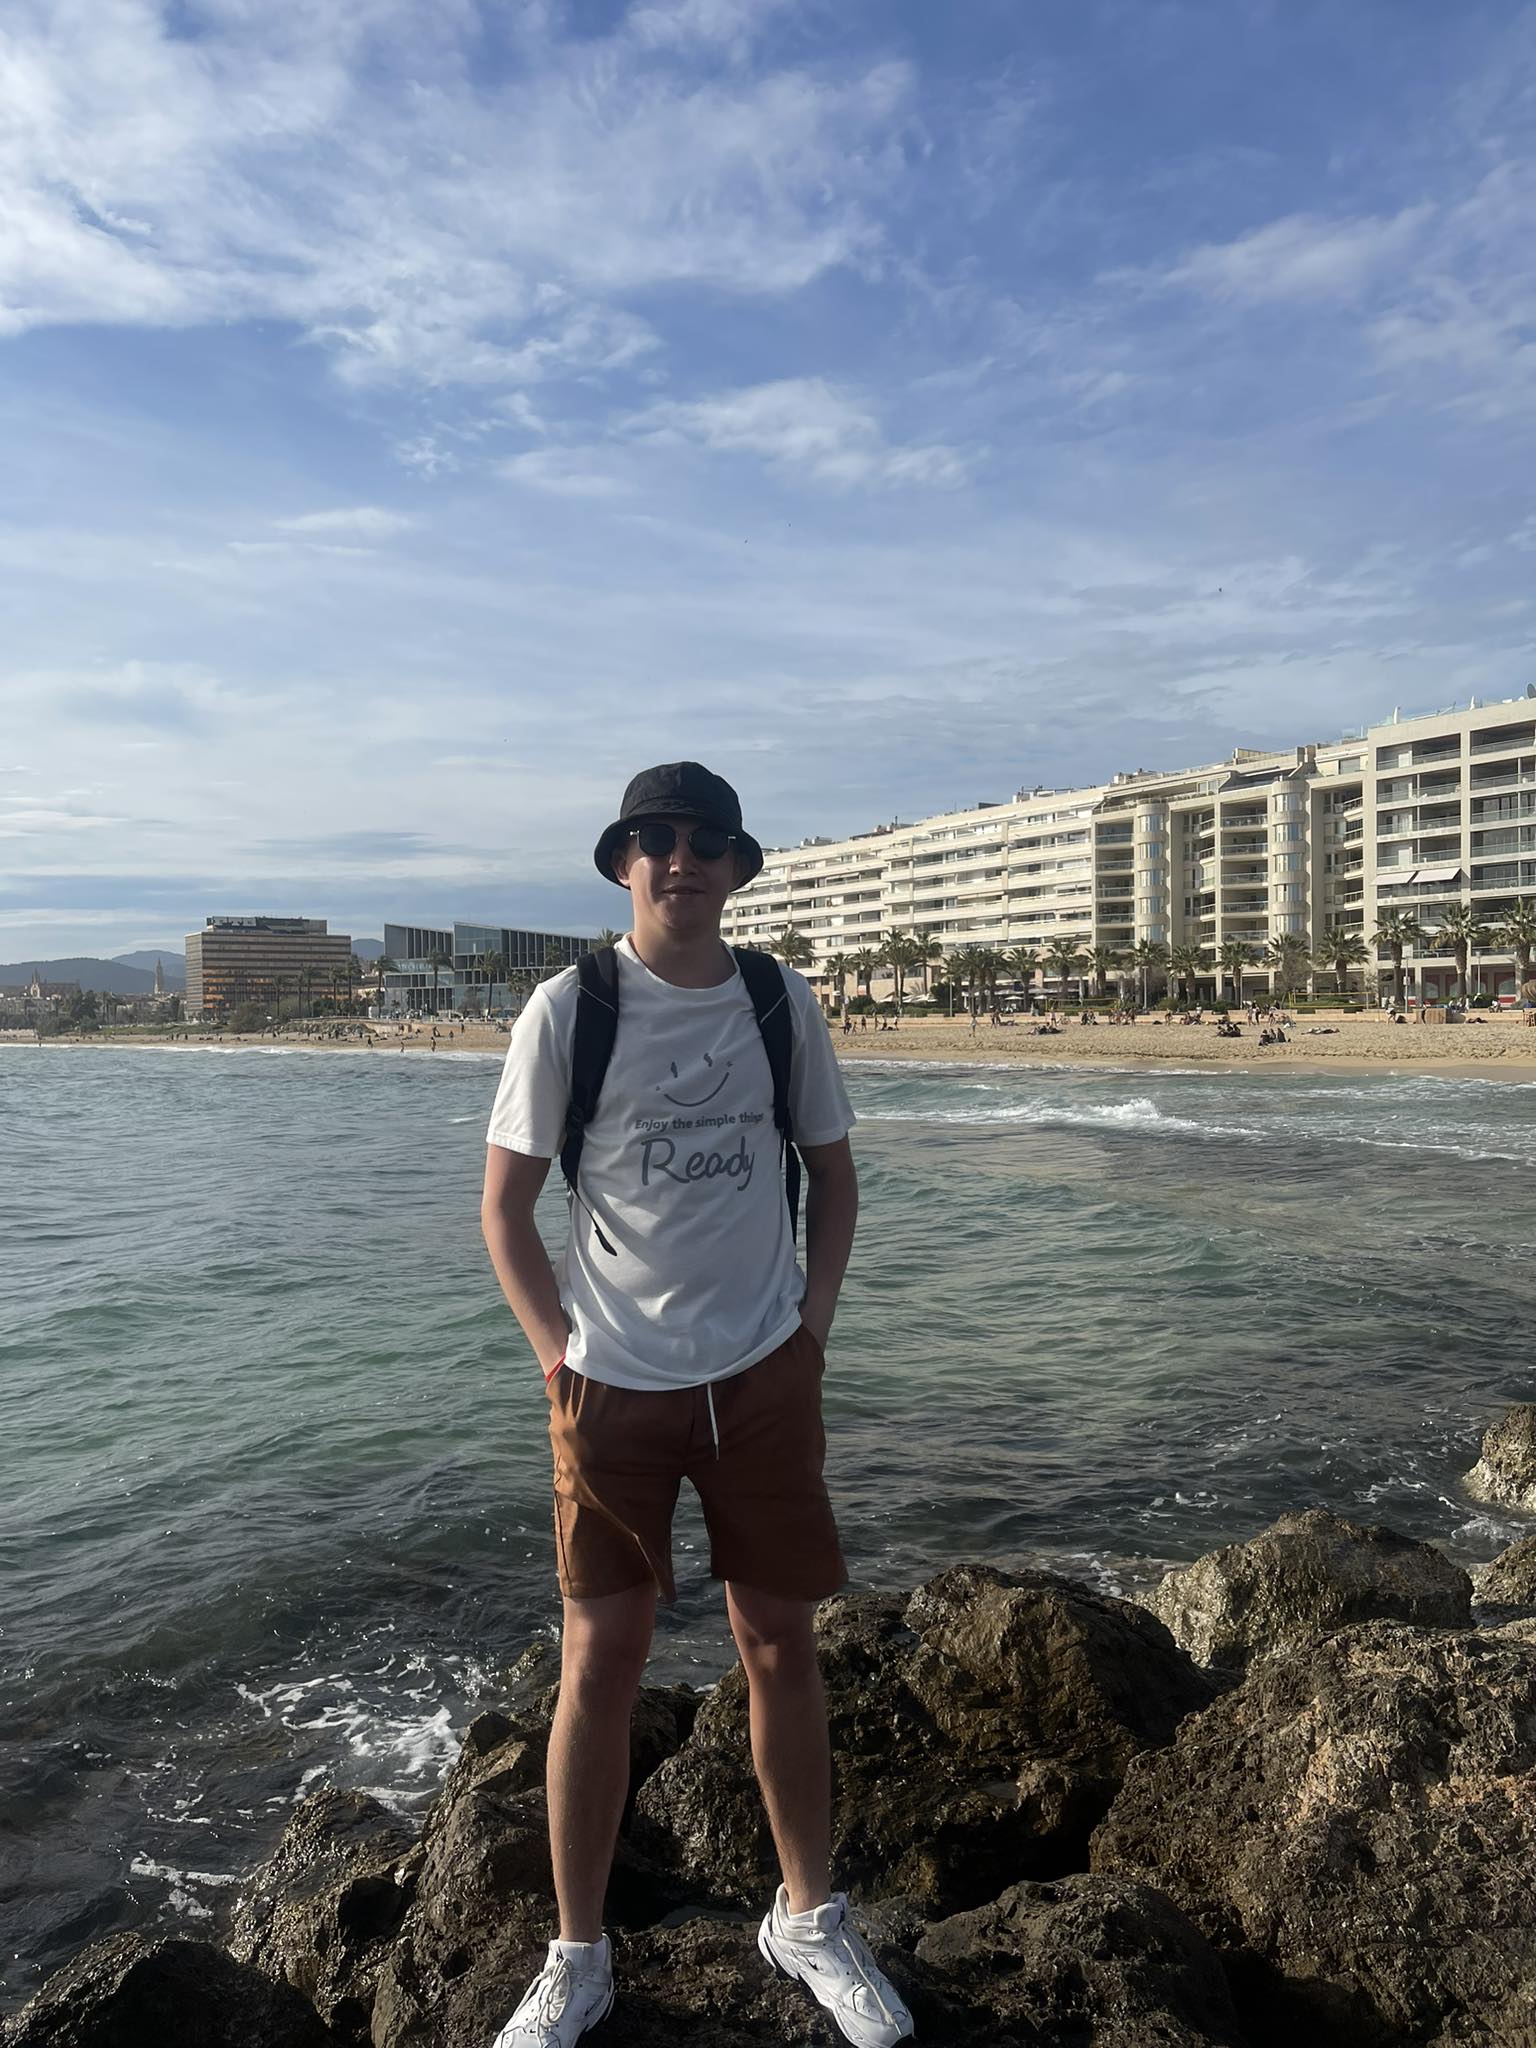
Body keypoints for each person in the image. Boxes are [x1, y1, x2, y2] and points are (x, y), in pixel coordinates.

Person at [480, 763, 912, 2048]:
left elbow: (834, 1177)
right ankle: (576, 1953)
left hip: (761, 1375)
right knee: (600, 1660)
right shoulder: (572, 1007)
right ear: (625, 861)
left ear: (735, 865)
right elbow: (504, 1208)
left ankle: (809, 1915)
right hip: (610, 1383)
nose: (683, 858)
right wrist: (558, 1362)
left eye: (707, 839)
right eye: (658, 838)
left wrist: (809, 1332)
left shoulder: (780, 1000)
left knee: (779, 1640)